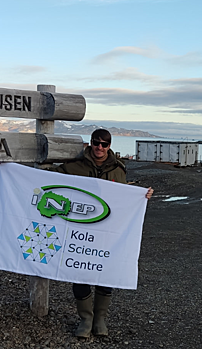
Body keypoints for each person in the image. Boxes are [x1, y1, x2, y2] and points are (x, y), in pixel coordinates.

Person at [51, 128, 153, 338]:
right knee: (80, 271)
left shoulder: (118, 169)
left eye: (104, 144)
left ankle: (100, 319)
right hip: (80, 229)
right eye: (96, 143)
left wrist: (142, 195)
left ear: (109, 146)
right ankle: (85, 319)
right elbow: (48, 182)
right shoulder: (72, 167)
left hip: (108, 230)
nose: (99, 147)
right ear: (90, 143)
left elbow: (123, 195)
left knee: (107, 271)